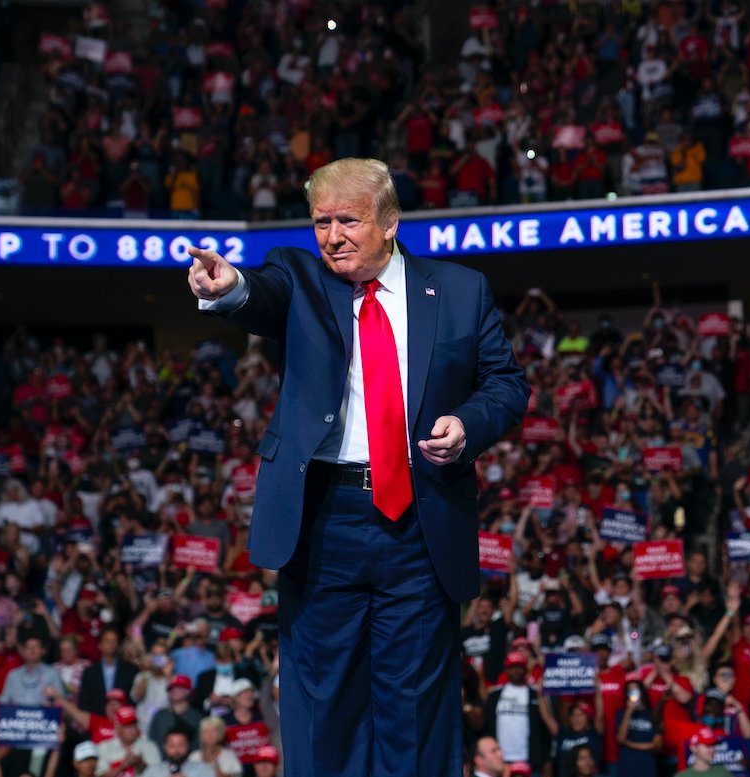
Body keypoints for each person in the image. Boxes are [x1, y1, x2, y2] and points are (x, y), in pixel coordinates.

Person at [185, 157, 528, 776]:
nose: (333, 236)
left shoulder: (459, 289)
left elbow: (506, 384)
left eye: (349, 220)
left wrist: (467, 424)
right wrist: (228, 286)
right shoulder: (299, 277)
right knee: (324, 707)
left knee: (415, 711)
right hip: (323, 522)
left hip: (420, 521)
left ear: (390, 222)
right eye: (322, 222)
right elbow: (259, 294)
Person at [78, 626, 138, 716]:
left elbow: (135, 700)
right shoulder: (89, 672)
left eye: (114, 641)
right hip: (97, 720)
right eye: (107, 641)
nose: (111, 644)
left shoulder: (131, 670)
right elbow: (83, 704)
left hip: (124, 720)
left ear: (118, 644)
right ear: (99, 645)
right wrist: (101, 713)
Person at [96, 705, 163, 776]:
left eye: (134, 724)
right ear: (117, 728)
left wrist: (140, 764)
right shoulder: (105, 747)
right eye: (127, 725)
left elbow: (158, 774)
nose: (132, 729)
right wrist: (122, 766)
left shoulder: (149, 746)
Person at [141, 729, 214, 777]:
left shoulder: (202, 769)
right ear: (165, 747)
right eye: (172, 746)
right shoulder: (153, 772)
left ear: (187, 746)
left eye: (180, 745)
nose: (176, 750)